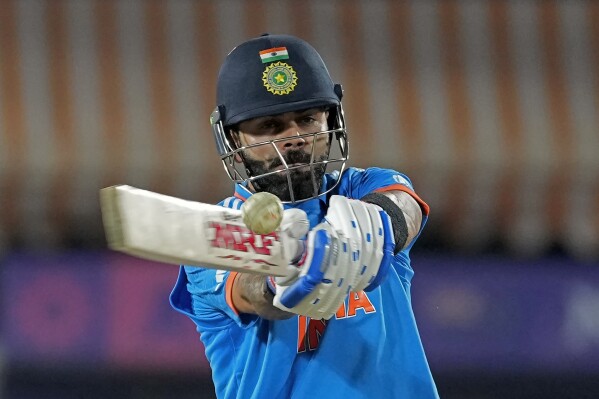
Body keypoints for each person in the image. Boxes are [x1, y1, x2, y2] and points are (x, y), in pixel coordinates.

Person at [170, 33, 439, 399]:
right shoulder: (210, 232)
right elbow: (250, 292)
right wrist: (280, 278)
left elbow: (404, 210)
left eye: (307, 118)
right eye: (270, 126)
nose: (294, 136)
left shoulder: (361, 187)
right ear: (233, 140)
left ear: (331, 118)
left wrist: (370, 231)